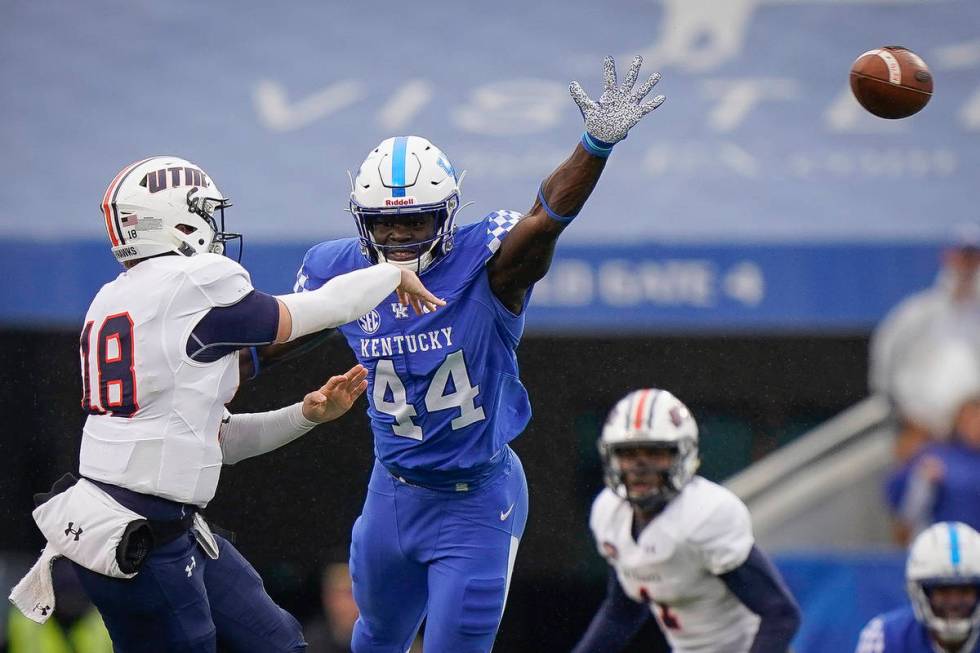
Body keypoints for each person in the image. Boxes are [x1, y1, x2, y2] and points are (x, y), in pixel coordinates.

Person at [293, 56, 666, 652]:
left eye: (413, 222)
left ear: (446, 215)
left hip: (474, 499)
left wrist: (594, 145)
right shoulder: (336, 269)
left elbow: (542, 224)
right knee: (373, 641)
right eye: (383, 226)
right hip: (391, 490)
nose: (396, 239)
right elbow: (276, 336)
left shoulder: (484, 266)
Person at [12, 155, 443, 653]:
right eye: (205, 212)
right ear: (177, 219)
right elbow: (316, 311)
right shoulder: (191, 283)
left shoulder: (113, 297)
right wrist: (390, 273)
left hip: (162, 523)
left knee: (278, 642)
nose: (215, 227)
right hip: (140, 535)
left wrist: (305, 415)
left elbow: (214, 441)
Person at [571, 389, 800, 653]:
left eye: (654, 453)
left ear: (682, 455)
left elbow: (781, 615)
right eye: (628, 453)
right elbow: (622, 610)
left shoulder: (703, 515)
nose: (639, 466)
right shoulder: (608, 513)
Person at [869, 223, 980, 461]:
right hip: (923, 436)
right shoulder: (917, 314)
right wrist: (906, 417)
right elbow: (885, 371)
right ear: (950, 257)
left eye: (974, 257)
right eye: (964, 256)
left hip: (973, 444)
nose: (969, 265)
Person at [855, 521, 980, 653]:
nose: (954, 602)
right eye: (943, 591)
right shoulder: (885, 637)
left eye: (965, 591)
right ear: (919, 592)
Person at [887, 380, 980, 544]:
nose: (975, 426)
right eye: (970, 420)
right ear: (958, 422)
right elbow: (902, 508)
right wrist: (921, 481)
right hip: (944, 549)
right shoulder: (935, 455)